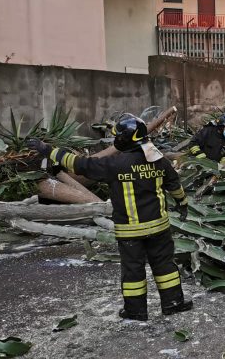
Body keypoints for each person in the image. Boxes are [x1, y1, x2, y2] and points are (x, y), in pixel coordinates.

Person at [27, 114, 192, 321]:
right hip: (159, 228)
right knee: (165, 266)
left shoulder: (114, 164)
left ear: (125, 139)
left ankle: (136, 311)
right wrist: (182, 203)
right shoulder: (158, 159)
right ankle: (173, 303)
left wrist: (48, 151)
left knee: (133, 272)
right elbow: (174, 185)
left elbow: (80, 164)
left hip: (130, 232)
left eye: (117, 136)